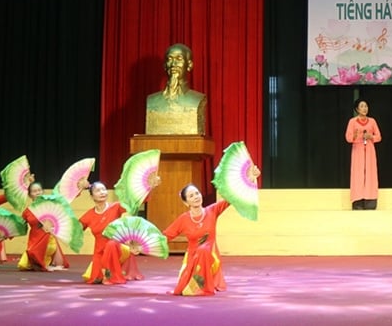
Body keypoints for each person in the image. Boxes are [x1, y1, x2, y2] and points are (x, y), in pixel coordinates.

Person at [163, 164, 260, 296]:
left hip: (210, 256)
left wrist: (250, 178)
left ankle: (199, 287)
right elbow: (164, 237)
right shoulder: (183, 219)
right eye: (191, 196)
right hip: (192, 259)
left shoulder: (212, 211)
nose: (196, 197)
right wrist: (142, 246)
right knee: (181, 289)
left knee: (203, 250)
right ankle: (194, 283)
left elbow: (232, 197)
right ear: (186, 203)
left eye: (197, 193)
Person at [78, 181, 143, 284]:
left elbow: (134, 202)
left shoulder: (115, 207)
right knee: (95, 278)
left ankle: (109, 276)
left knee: (111, 244)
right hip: (99, 251)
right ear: (91, 196)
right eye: (98, 190)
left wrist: (148, 188)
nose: (102, 192)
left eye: (104, 189)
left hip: (118, 248)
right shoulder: (89, 215)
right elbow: (75, 230)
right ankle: (105, 272)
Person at [146, 42, 208, 135]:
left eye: (179, 59)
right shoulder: (152, 100)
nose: (173, 64)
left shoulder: (197, 99)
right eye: (169, 59)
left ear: (189, 65)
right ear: (165, 65)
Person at [17, 181, 69, 271]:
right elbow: (20, 226)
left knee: (46, 252)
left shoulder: (50, 205)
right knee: (25, 263)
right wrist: (5, 234)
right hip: (34, 238)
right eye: (34, 191)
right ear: (30, 195)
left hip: (48, 237)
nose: (37, 193)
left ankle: (46, 263)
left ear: (43, 192)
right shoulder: (27, 211)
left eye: (39, 190)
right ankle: (44, 263)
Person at [344, 98, 382, 210]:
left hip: (370, 149)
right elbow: (348, 138)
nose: (364, 108)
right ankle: (358, 201)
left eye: (366, 106)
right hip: (357, 149)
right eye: (362, 106)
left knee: (370, 173)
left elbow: (379, 136)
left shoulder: (372, 121)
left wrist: (371, 137)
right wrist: (355, 135)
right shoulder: (352, 121)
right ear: (357, 109)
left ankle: (370, 200)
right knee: (358, 174)